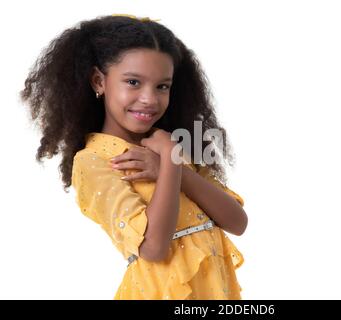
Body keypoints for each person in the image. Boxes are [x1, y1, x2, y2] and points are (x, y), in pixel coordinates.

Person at [19, 13, 248, 300]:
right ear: (98, 81)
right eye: (133, 82)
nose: (149, 99)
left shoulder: (171, 144)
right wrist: (170, 165)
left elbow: (237, 222)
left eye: (162, 86)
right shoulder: (93, 162)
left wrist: (172, 164)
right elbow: (153, 248)